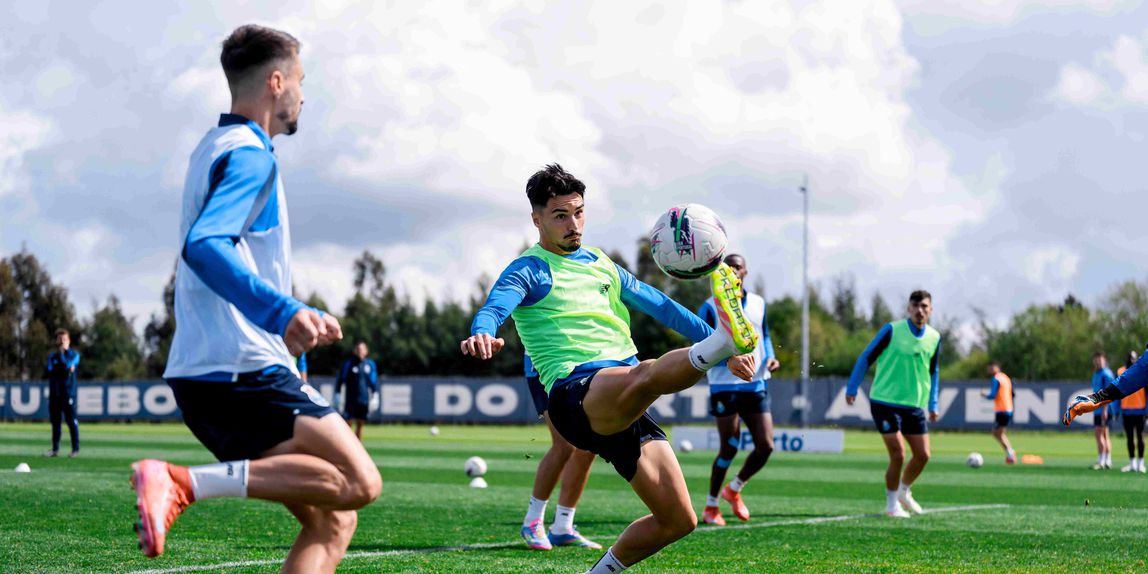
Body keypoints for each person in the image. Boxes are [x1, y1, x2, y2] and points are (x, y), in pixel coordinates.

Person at [130, 25, 381, 572]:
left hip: (207, 371)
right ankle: (181, 482)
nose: (303, 95)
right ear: (275, 82)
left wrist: (294, 334)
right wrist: (285, 311)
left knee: (332, 520)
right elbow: (205, 246)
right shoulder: (251, 156)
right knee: (360, 482)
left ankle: (185, 482)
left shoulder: (212, 148)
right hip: (240, 369)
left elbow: (233, 256)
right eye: (300, 81)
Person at [461, 164, 757, 573]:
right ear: (537, 219)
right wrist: (483, 331)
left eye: (578, 212)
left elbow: (662, 306)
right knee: (646, 374)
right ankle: (718, 343)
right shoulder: (527, 269)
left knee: (678, 520)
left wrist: (715, 339)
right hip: (575, 393)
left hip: (621, 401)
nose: (573, 224)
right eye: (560, 216)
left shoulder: (602, 263)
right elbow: (495, 307)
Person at [695, 253, 779, 526]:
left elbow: (763, 334)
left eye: (738, 267)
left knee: (765, 446)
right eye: (728, 267)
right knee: (729, 446)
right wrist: (727, 360)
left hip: (756, 382)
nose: (733, 271)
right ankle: (711, 506)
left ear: (745, 272)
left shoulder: (759, 303)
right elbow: (700, 344)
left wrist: (771, 356)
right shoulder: (709, 307)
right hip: (724, 384)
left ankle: (734, 489)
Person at [845, 290, 941, 518]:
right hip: (884, 401)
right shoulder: (892, 330)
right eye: (916, 306)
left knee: (923, 456)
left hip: (914, 405)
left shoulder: (934, 337)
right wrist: (852, 387)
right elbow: (866, 356)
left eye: (925, 306)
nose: (920, 310)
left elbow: (934, 371)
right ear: (908, 308)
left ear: (930, 310)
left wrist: (933, 403)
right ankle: (891, 505)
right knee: (898, 454)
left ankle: (904, 491)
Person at [520, 354, 601, 550]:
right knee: (564, 444)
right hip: (545, 364)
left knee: (588, 445)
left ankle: (562, 526)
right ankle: (532, 522)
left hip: (586, 364)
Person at [44, 328, 81, 458]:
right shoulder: (51, 357)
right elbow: (49, 371)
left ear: (68, 341)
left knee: (71, 421)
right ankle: (55, 449)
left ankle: (75, 449)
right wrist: (63, 367)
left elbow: (67, 366)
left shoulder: (74, 355)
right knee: (55, 422)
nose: (61, 342)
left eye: (64, 339)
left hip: (68, 393)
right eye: (59, 339)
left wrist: (62, 356)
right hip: (55, 393)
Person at [335, 342, 379, 440]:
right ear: (355, 351)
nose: (360, 351)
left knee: (360, 424)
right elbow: (341, 379)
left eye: (362, 349)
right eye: (358, 349)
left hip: (363, 399)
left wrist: (375, 395)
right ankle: (346, 445)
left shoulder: (370, 364)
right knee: (348, 424)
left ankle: (358, 446)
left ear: (366, 351)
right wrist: (337, 394)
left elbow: (373, 381)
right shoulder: (349, 364)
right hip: (350, 399)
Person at [980, 361, 1016, 465]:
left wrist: (983, 394)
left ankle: (1010, 453)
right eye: (989, 367)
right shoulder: (1005, 377)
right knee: (999, 433)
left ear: (997, 367)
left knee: (996, 433)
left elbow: (992, 395)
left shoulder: (996, 379)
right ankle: (1010, 453)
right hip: (1008, 409)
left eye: (992, 367)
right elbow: (1013, 393)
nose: (990, 369)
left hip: (1002, 410)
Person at [1115, 351, 1145, 473]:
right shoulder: (1120, 371)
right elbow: (1115, 390)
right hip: (1126, 410)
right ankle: (1132, 463)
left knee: (1140, 437)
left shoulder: (1142, 371)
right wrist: (1116, 409)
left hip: (1140, 410)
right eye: (1129, 358)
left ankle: (1141, 464)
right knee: (1129, 438)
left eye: (1133, 358)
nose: (1131, 360)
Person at [1088, 352, 1116, 470]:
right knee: (1104, 434)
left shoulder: (1106, 374)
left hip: (1104, 409)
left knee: (1099, 434)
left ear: (1104, 360)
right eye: (1096, 360)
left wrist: (1105, 409)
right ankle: (1107, 460)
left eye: (1100, 360)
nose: (1098, 362)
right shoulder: (1096, 374)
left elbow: (1109, 393)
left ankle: (1103, 460)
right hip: (1097, 408)